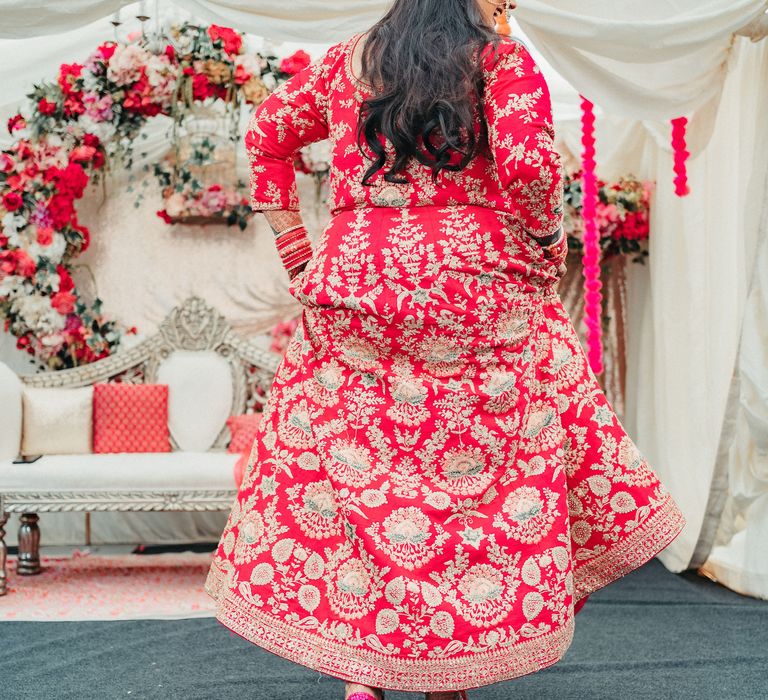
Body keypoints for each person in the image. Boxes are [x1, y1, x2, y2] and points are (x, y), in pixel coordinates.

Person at [205, 1, 686, 698]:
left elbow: (270, 135)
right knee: (475, 490)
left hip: (356, 287)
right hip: (475, 290)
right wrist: (548, 248)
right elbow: (528, 172)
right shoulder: (498, 60)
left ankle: (361, 673)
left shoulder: (348, 60)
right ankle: (447, 676)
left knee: (357, 483)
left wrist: (296, 247)